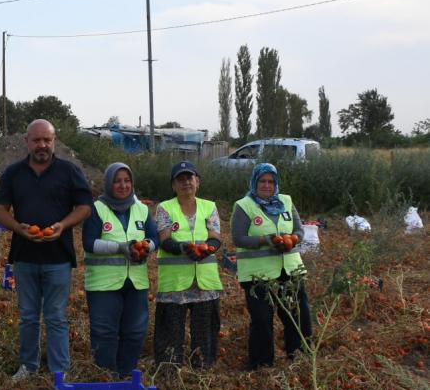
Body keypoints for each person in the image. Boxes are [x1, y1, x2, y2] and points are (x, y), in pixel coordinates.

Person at [0, 119, 93, 380]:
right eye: (37, 140)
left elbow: (84, 207)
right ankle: (28, 366)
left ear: (54, 141)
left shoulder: (69, 171)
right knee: (27, 316)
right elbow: (0, 210)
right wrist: (18, 227)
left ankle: (60, 369)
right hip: (24, 255)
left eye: (47, 140)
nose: (42, 145)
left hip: (58, 256)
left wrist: (63, 225)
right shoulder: (13, 173)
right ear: (27, 142)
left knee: (56, 316)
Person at [231, 162, 312, 369]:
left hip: (291, 270)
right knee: (262, 319)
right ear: (254, 182)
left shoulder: (286, 201)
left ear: (276, 183)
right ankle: (261, 364)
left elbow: (300, 230)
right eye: (262, 181)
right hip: (258, 275)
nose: (267, 185)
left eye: (270, 181)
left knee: (297, 314)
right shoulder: (244, 205)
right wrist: (265, 240)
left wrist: (293, 238)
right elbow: (238, 238)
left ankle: (300, 357)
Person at [82, 162, 158, 376]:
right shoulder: (97, 208)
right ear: (108, 183)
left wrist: (145, 248)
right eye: (117, 181)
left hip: (135, 282)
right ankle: (106, 376)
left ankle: (125, 375)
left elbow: (153, 239)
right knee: (104, 333)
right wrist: (120, 248)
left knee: (135, 332)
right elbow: (89, 242)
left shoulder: (141, 209)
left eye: (127, 181)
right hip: (103, 284)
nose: (123, 185)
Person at [154, 161, 223, 369]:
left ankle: (201, 370)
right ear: (173, 185)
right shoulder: (165, 208)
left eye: (190, 178)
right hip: (175, 282)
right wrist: (185, 247)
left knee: (204, 331)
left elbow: (215, 237)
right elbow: (164, 239)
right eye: (180, 179)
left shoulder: (209, 206)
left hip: (204, 282)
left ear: (197, 182)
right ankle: (170, 372)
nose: (186, 183)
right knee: (171, 332)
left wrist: (207, 249)